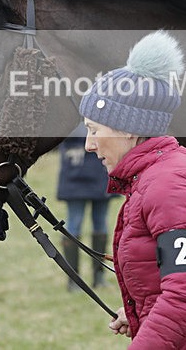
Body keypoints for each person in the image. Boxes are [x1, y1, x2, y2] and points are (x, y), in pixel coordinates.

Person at [79, 31, 186, 349]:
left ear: (128, 128)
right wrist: (141, 317)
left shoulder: (168, 187)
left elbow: (184, 293)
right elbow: (178, 280)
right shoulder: (163, 173)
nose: (89, 144)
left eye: (94, 130)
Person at [56, 123, 113, 291]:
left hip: (101, 174)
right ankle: (74, 279)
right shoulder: (70, 116)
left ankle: (99, 276)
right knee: (74, 223)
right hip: (75, 175)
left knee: (101, 223)